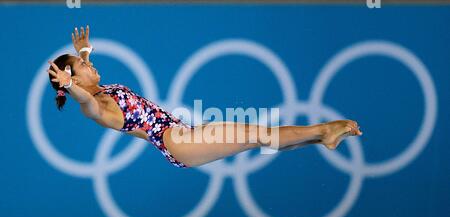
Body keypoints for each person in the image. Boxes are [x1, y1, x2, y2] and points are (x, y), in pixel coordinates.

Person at [47, 25, 363, 168]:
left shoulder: (103, 90)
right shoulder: (96, 107)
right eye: (84, 66)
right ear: (74, 79)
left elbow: (86, 81)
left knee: (257, 138)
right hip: (177, 141)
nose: (91, 64)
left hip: (182, 137)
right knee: (258, 134)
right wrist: (70, 84)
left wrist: (82, 52)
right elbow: (84, 100)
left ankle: (320, 138)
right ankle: (324, 131)